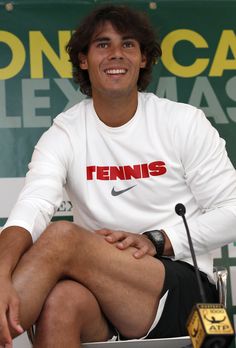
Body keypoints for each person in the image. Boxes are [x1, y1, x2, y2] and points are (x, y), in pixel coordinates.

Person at [0, 4, 236, 348]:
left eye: (128, 45)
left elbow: (232, 211)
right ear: (83, 59)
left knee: (63, 236)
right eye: (102, 44)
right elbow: (33, 205)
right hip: (102, 293)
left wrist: (160, 240)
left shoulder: (182, 122)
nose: (116, 54)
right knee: (60, 302)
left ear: (143, 59)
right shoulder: (65, 132)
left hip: (183, 288)